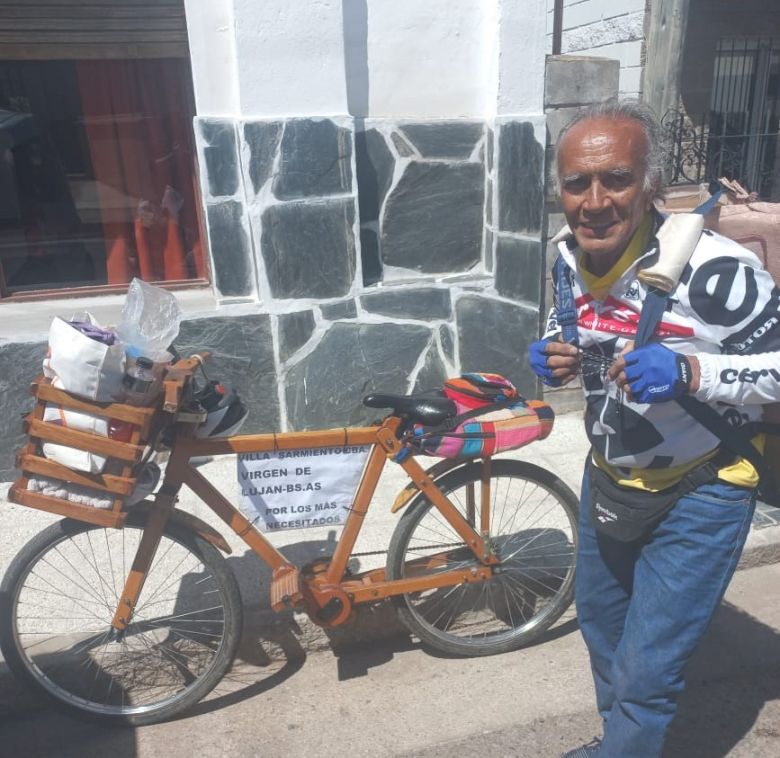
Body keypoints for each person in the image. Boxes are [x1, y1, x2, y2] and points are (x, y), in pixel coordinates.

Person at [528, 100, 780, 757]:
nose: (594, 200)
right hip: (610, 478)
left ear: (652, 188)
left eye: (616, 178)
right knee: (605, 634)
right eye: (576, 183)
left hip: (705, 485)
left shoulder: (719, 272)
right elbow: (581, 332)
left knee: (646, 672)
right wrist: (559, 349)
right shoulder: (565, 258)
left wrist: (694, 375)